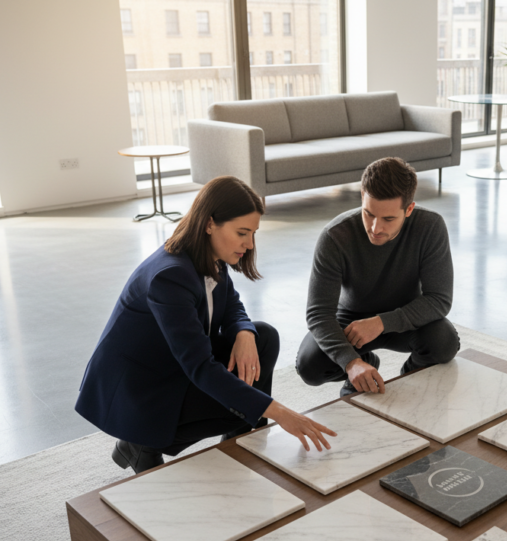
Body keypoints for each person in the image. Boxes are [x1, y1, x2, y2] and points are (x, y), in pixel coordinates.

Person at [75, 176, 335, 474]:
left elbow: (231, 303)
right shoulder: (169, 277)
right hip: (142, 390)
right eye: (242, 232)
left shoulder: (209, 254)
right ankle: (140, 444)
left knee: (263, 336)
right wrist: (279, 411)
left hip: (172, 365)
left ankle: (242, 434)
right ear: (210, 223)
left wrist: (244, 332)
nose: (249, 244)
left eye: (253, 234)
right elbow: (200, 368)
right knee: (238, 406)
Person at [295, 157, 460, 396]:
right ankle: (366, 364)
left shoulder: (430, 227)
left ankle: (407, 378)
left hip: (406, 317)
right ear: (362, 196)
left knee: (444, 343)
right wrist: (352, 362)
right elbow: (318, 313)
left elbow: (439, 299)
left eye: (388, 219)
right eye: (369, 214)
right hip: (352, 320)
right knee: (310, 366)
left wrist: (382, 322)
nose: (375, 228)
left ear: (409, 209)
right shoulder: (334, 236)